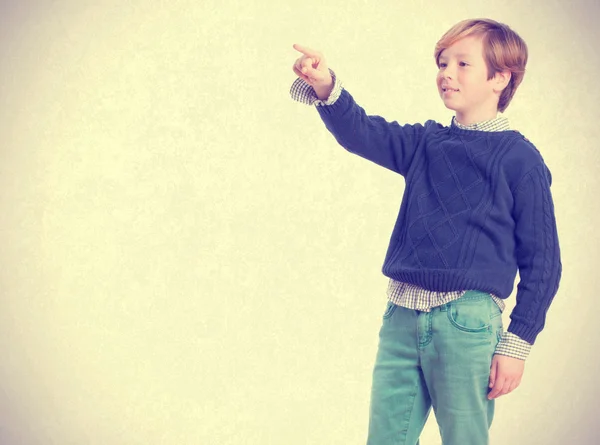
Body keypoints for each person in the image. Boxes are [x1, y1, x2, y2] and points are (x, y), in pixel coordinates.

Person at [289, 18, 562, 445]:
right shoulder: (424, 144)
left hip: (467, 323)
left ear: (500, 78)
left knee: (463, 438)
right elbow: (361, 132)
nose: (446, 73)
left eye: (462, 63)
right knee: (385, 438)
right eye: (442, 62)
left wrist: (517, 342)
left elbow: (543, 263)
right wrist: (325, 84)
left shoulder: (521, 161)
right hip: (400, 315)